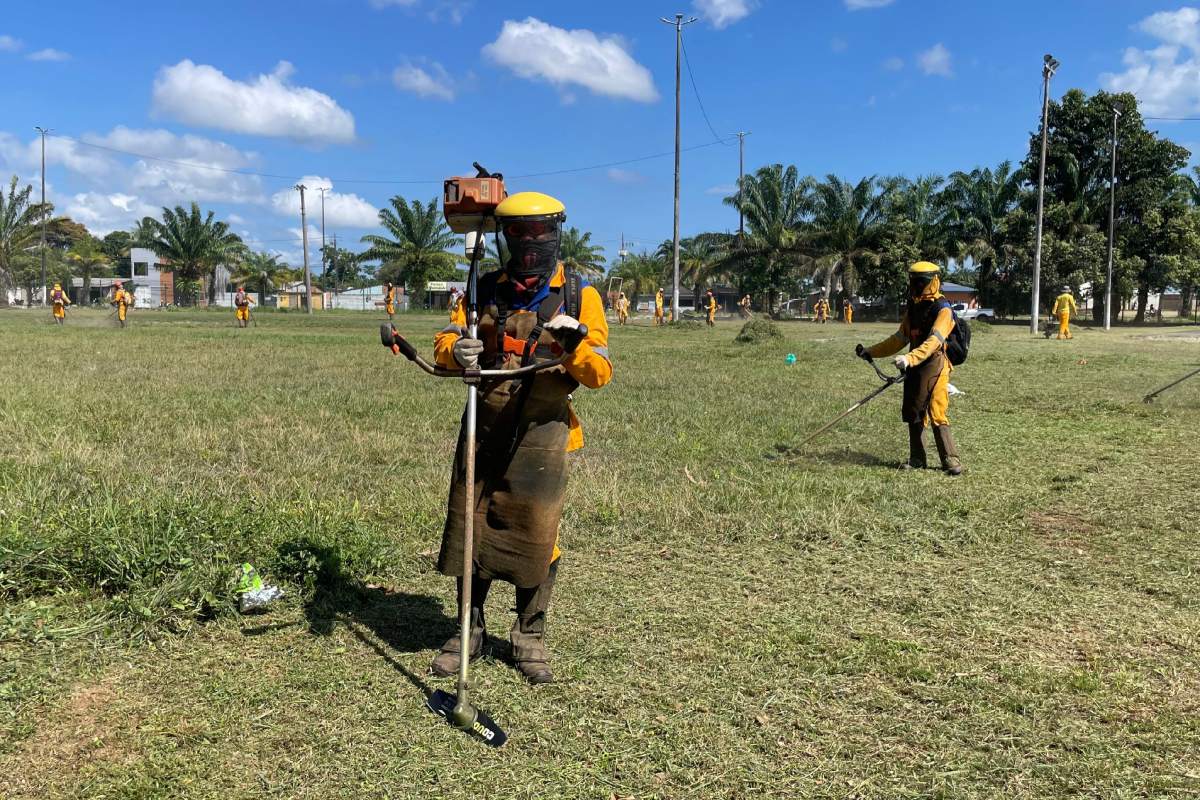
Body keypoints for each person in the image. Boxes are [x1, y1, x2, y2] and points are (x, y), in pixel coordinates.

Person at [430, 191, 612, 684]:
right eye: (519, 233)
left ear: (556, 232)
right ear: (505, 237)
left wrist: (573, 348)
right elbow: (445, 339)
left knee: (538, 535)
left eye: (540, 232)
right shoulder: (484, 287)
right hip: (483, 422)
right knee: (473, 525)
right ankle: (469, 630)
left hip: (543, 431)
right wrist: (457, 351)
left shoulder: (579, 295)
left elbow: (599, 373)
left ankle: (529, 635)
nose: (531, 244)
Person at [856, 261, 963, 475]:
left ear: (933, 282)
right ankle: (917, 459)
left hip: (935, 364)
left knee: (936, 410)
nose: (915, 286)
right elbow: (899, 338)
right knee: (913, 410)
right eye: (913, 281)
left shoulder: (943, 309)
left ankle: (950, 459)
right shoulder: (913, 307)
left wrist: (909, 358)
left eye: (920, 282)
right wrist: (871, 351)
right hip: (914, 365)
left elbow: (935, 340)